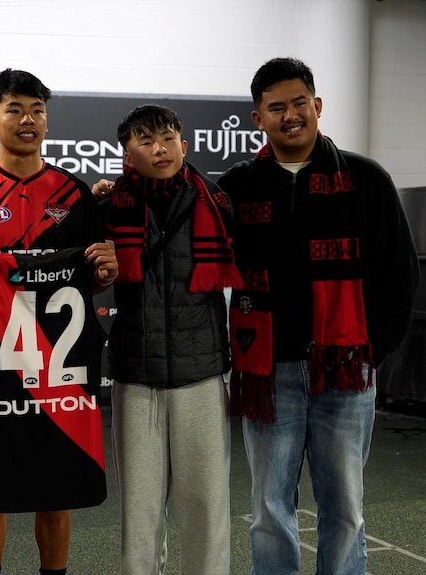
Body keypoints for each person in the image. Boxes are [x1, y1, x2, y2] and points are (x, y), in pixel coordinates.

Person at [218, 57, 419, 575]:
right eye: (277, 107)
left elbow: (399, 272)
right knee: (269, 510)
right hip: (267, 375)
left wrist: (371, 348)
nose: (291, 116)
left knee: (345, 510)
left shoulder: (366, 178)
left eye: (299, 103)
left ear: (318, 106)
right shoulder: (238, 186)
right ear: (257, 117)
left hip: (347, 374)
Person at [0, 68, 118, 575]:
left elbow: (90, 284)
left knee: (54, 483)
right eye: (14, 109)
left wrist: (104, 272)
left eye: (37, 109)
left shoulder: (75, 194)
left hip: (57, 364)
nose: (27, 119)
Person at [93, 104, 242, 575]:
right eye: (145, 141)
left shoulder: (217, 201)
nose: (159, 149)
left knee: (206, 508)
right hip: (136, 377)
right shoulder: (106, 208)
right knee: (139, 514)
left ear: (184, 141)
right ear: (126, 153)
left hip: (201, 374)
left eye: (167, 138)